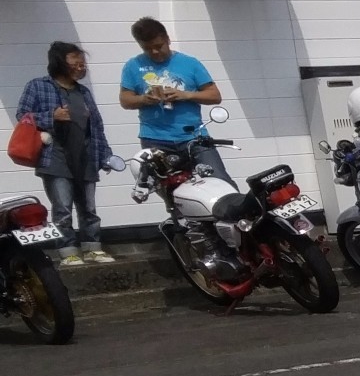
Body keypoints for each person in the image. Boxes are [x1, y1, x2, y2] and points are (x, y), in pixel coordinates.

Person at [15, 41, 117, 265]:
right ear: (59, 62)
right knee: (62, 208)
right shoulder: (38, 86)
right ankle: (68, 251)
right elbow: (23, 116)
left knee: (89, 208)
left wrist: (105, 156)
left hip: (86, 157)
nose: (81, 66)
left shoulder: (83, 92)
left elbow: (97, 127)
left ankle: (93, 248)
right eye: (75, 62)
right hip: (55, 157)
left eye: (83, 63)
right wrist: (51, 116)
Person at [117, 17, 227, 182]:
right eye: (147, 48)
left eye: (158, 46)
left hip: (193, 137)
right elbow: (125, 100)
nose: (154, 52)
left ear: (167, 40)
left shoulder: (190, 63)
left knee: (219, 181)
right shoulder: (133, 66)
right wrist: (145, 99)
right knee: (170, 189)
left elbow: (214, 96)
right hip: (155, 140)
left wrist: (186, 95)